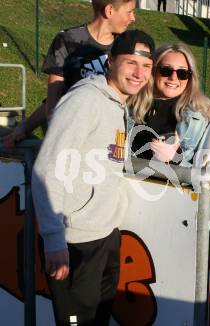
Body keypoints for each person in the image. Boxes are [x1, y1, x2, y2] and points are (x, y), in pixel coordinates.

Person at [32, 30, 155, 326]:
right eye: (130, 63)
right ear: (111, 61)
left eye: (147, 66)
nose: (139, 73)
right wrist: (53, 239)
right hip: (74, 241)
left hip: (103, 235)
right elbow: (48, 168)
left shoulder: (117, 103)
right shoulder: (85, 100)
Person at [3, 0, 136, 149]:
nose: (133, 18)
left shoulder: (127, 46)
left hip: (109, 141)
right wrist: (26, 127)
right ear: (109, 10)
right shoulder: (67, 39)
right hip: (70, 141)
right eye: (129, 12)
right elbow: (55, 100)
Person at [130, 42, 210, 166]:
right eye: (166, 70)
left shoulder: (198, 116)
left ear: (190, 78)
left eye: (182, 73)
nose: (173, 78)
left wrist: (176, 159)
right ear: (153, 70)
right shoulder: (132, 104)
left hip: (171, 184)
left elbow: (202, 173)